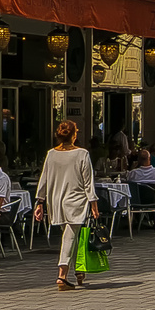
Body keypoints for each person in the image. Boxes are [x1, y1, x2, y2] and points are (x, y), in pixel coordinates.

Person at [33, 120, 99, 291]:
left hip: (56, 200)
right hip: (76, 199)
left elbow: (44, 179)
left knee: (70, 234)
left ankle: (78, 270)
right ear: (74, 135)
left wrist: (39, 201)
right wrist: (93, 203)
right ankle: (62, 275)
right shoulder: (82, 154)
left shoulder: (51, 154)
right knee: (70, 236)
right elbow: (88, 182)